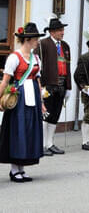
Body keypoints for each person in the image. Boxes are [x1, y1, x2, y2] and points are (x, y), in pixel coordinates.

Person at [0, 23, 46, 182]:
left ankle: (22, 167)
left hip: (32, 95)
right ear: (28, 40)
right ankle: (14, 169)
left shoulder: (36, 58)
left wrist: (41, 102)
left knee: (29, 130)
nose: (38, 41)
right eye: (36, 39)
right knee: (17, 130)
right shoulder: (14, 57)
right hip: (18, 98)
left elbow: (38, 81)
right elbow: (5, 81)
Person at [36, 17, 71, 156]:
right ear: (52, 31)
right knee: (46, 114)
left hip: (61, 84)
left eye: (62, 30)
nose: (63, 32)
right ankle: (42, 144)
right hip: (48, 84)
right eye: (60, 30)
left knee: (55, 115)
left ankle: (49, 143)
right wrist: (41, 85)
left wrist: (68, 87)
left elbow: (68, 66)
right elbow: (37, 65)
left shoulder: (65, 46)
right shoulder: (42, 44)